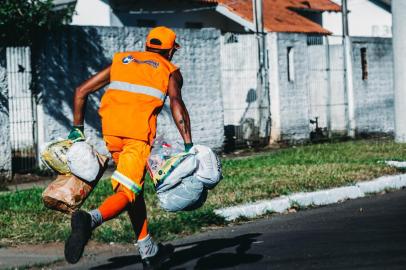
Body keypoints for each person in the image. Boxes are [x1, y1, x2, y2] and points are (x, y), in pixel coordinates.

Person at [64, 26, 193, 269]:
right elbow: (177, 103)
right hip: (137, 138)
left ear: (147, 46)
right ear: (172, 50)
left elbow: (81, 91)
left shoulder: (122, 61)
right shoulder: (170, 70)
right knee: (127, 193)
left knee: (134, 188)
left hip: (112, 134)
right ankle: (90, 220)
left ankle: (148, 250)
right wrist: (188, 144)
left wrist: (77, 129)